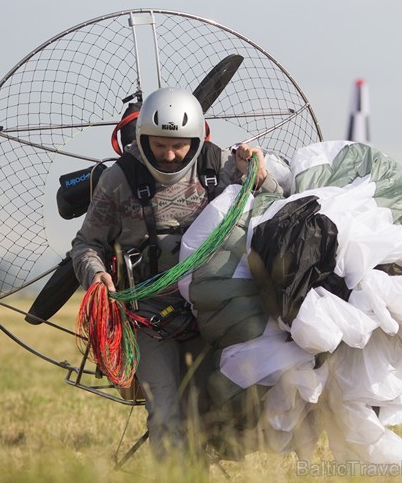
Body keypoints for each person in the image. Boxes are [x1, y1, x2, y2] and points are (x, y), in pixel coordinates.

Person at [70, 87, 281, 461]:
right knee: (165, 414)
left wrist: (258, 175)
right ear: (143, 138)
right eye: (160, 145)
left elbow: (273, 205)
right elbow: (86, 244)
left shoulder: (222, 166)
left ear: (197, 139)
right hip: (149, 321)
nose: (169, 155)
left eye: (179, 146)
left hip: (214, 317)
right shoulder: (119, 180)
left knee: (214, 410)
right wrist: (96, 276)